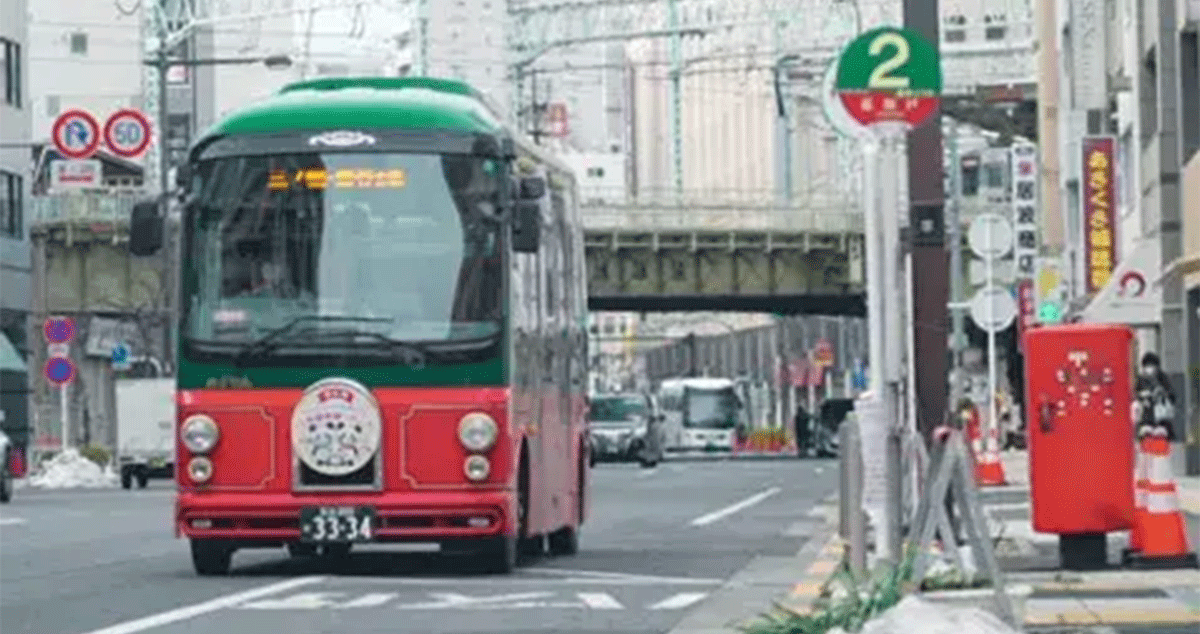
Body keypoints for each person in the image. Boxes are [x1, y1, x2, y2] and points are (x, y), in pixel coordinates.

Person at [1135, 352, 1177, 440]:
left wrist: (1162, 393)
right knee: (1145, 433)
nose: (1149, 369)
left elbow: (1172, 396)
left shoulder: (1163, 378)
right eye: (1147, 366)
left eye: (1151, 366)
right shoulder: (1140, 379)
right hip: (1146, 416)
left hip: (1162, 417)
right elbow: (1135, 394)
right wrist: (1143, 397)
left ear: (1157, 367)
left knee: (1163, 433)